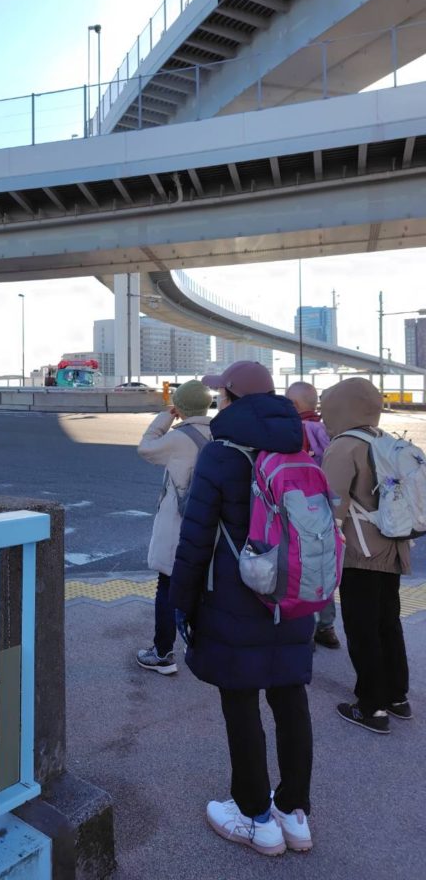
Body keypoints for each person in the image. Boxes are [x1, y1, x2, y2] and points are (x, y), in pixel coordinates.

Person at [170, 361, 314, 856]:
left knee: (241, 702)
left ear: (231, 398)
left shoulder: (220, 453)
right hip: (293, 595)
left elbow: (195, 540)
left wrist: (181, 605)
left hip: (235, 600)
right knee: (291, 699)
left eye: (221, 396)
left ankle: (255, 816)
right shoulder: (300, 444)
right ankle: (294, 814)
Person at [320, 377, 412, 734]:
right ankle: (397, 696)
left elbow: (331, 504)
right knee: (388, 622)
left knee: (362, 628)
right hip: (394, 546)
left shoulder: (344, 446)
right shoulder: (386, 440)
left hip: (360, 550)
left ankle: (371, 706)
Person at [136, 380, 213, 675]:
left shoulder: (178, 438)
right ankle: (201, 648)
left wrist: (165, 418)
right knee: (202, 588)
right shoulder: (218, 434)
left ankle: (163, 653)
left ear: (180, 407)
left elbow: (146, 448)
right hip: (206, 523)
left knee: (168, 587)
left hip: (177, 525)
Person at [286, 381, 339, 650]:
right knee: (324, 565)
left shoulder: (296, 430)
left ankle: (304, 630)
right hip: (327, 510)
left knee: (302, 568)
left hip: (301, 511)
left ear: (294, 405)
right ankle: (327, 626)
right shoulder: (329, 431)